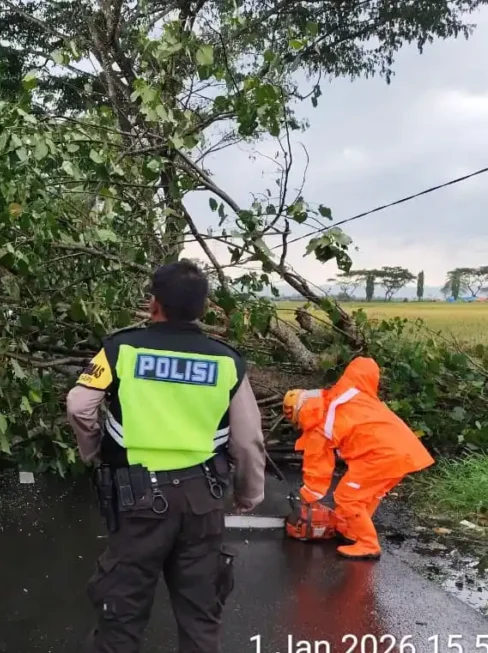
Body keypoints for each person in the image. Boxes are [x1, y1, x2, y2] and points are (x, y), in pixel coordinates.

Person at [66, 260, 267, 653]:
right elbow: (248, 441)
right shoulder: (226, 360)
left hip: (137, 497)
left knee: (120, 615)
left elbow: (79, 406)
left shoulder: (120, 349)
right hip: (202, 500)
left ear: (153, 304)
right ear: (205, 308)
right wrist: (249, 495)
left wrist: (93, 452)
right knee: (200, 619)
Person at [283, 356, 434, 560]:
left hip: (380, 455)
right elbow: (365, 367)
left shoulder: (318, 428)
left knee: (347, 497)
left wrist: (307, 498)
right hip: (405, 449)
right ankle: (352, 531)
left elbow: (317, 472)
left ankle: (367, 543)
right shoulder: (347, 390)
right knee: (367, 495)